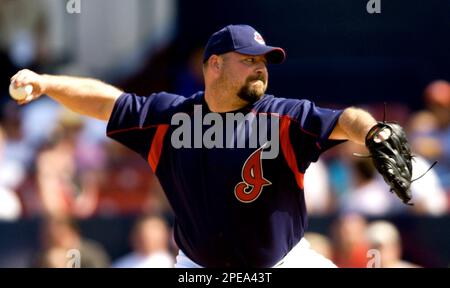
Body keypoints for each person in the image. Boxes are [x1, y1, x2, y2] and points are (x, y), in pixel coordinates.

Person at [11, 24, 392, 268]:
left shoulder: (284, 118)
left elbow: (345, 120)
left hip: (285, 262)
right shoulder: (170, 117)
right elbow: (105, 102)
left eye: (263, 61)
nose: (260, 67)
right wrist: (46, 82)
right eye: (248, 60)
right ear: (215, 66)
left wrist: (374, 132)